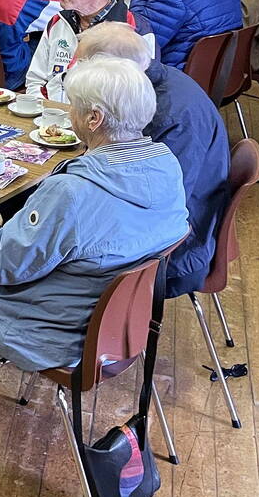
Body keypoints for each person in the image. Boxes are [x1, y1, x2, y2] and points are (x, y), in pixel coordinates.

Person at [0, 57, 190, 385]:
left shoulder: (72, 192)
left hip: (58, 330)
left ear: (93, 118)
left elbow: (2, 263)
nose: (70, 114)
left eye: (74, 106)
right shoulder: (167, 164)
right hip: (121, 323)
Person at [74, 23, 228, 298]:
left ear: (115, 70)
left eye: (83, 66)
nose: (76, 72)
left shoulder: (173, 115)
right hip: (167, 227)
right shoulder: (155, 84)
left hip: (172, 252)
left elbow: (157, 206)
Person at [25, 0, 140, 101]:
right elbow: (35, 80)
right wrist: (47, 112)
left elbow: (133, 99)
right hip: (49, 117)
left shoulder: (132, 30)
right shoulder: (57, 21)